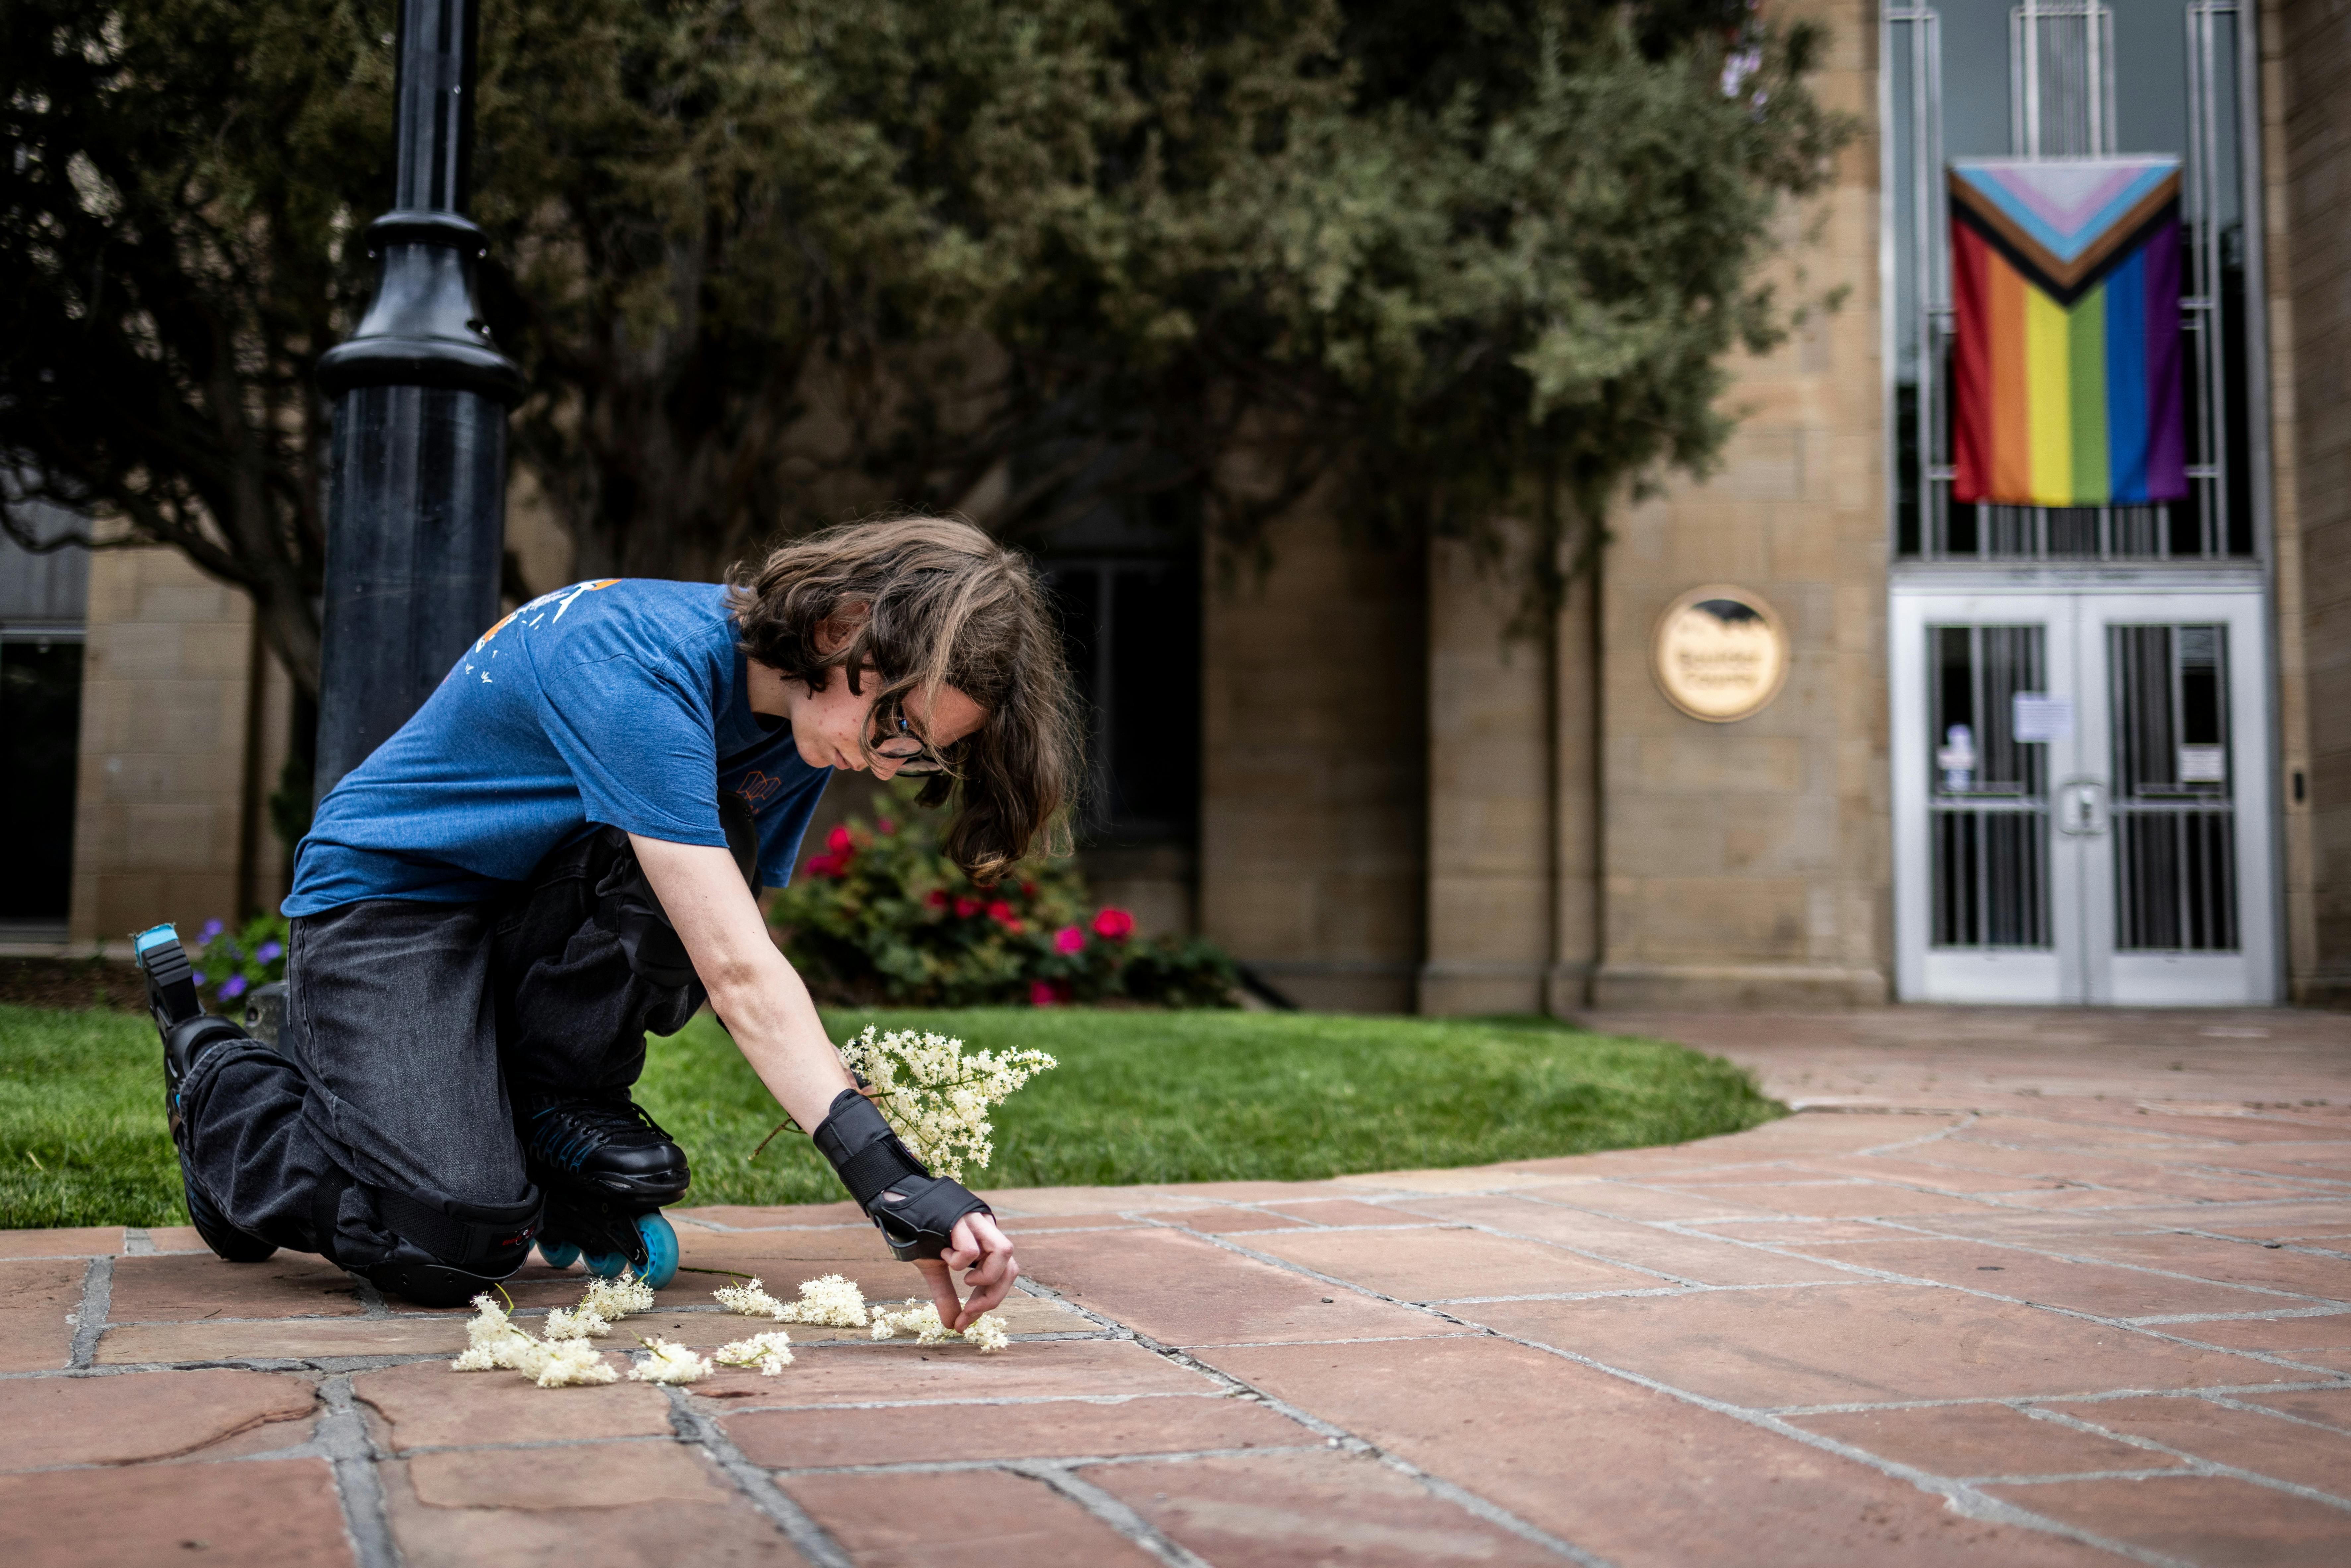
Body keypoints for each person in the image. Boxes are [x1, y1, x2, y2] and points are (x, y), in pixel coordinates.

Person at [133, 516, 1080, 1324]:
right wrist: (889, 1180)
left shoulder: (804, 731)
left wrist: (884, 1162)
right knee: (451, 1242)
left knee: (718, 847)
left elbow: (727, 940)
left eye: (921, 757)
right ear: (843, 629)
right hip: (392, 905)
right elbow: (737, 974)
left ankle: (542, 1099)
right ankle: (233, 1087)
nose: (888, 765)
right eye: (899, 730)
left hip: (524, 909)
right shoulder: (636, 658)